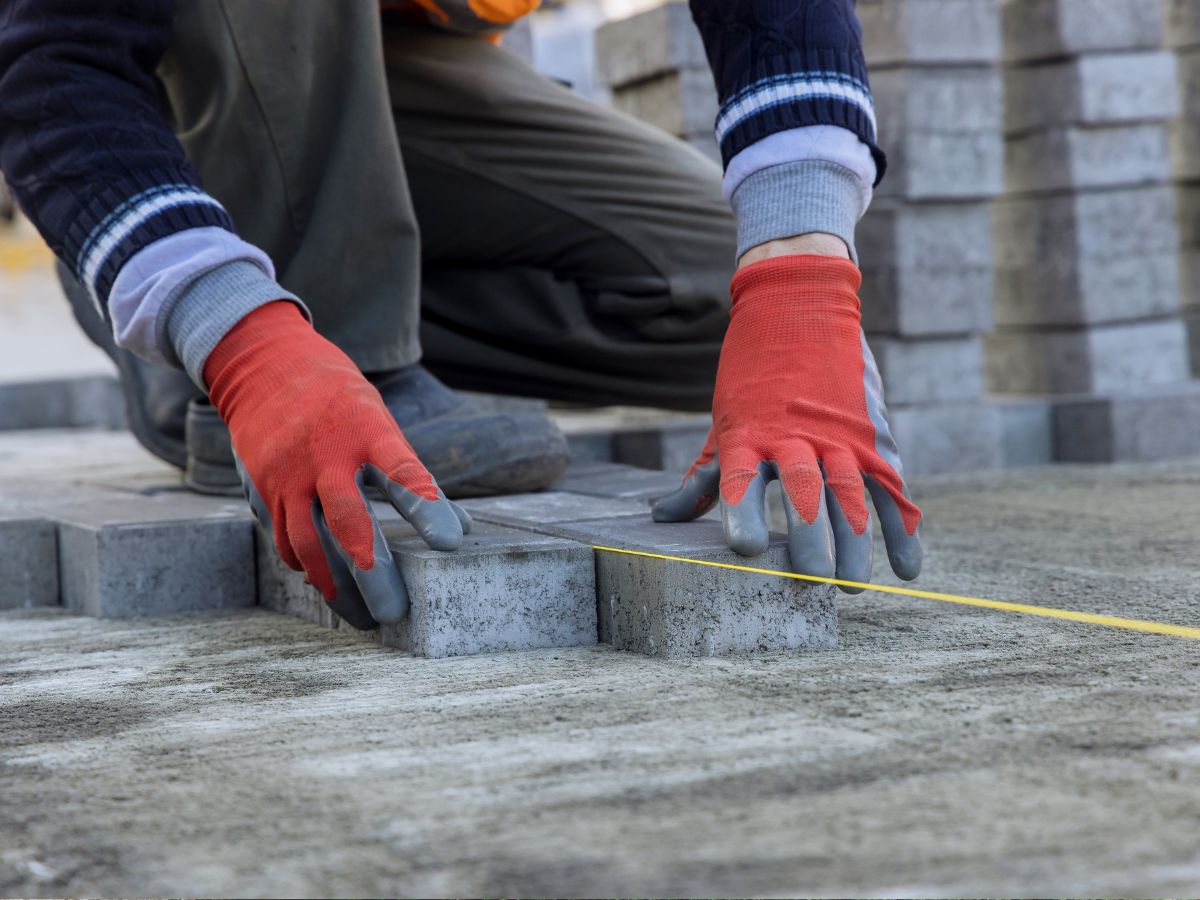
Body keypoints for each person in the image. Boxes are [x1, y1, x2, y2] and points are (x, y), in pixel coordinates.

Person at [0, 0, 922, 628]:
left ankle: (316, 335)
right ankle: (230, 325)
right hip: (193, 77)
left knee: (694, 292)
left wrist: (798, 271)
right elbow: (47, 62)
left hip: (396, 72)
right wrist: (236, 338)